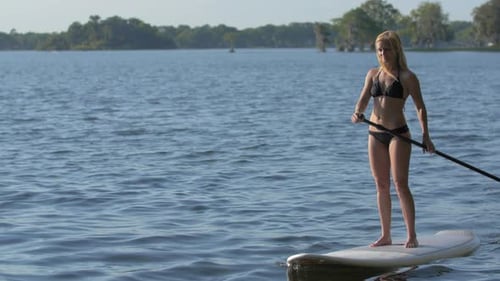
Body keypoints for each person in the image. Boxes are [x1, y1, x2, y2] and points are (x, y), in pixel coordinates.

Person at [351, 30, 435, 248]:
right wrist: (357, 113)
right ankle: (386, 235)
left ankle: (411, 236)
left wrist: (426, 135)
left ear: (396, 50)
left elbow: (420, 108)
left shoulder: (407, 77)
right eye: (379, 50)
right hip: (375, 134)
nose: (382, 53)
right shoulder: (372, 74)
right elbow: (362, 100)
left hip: (398, 134)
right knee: (381, 184)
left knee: (400, 184)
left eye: (386, 49)